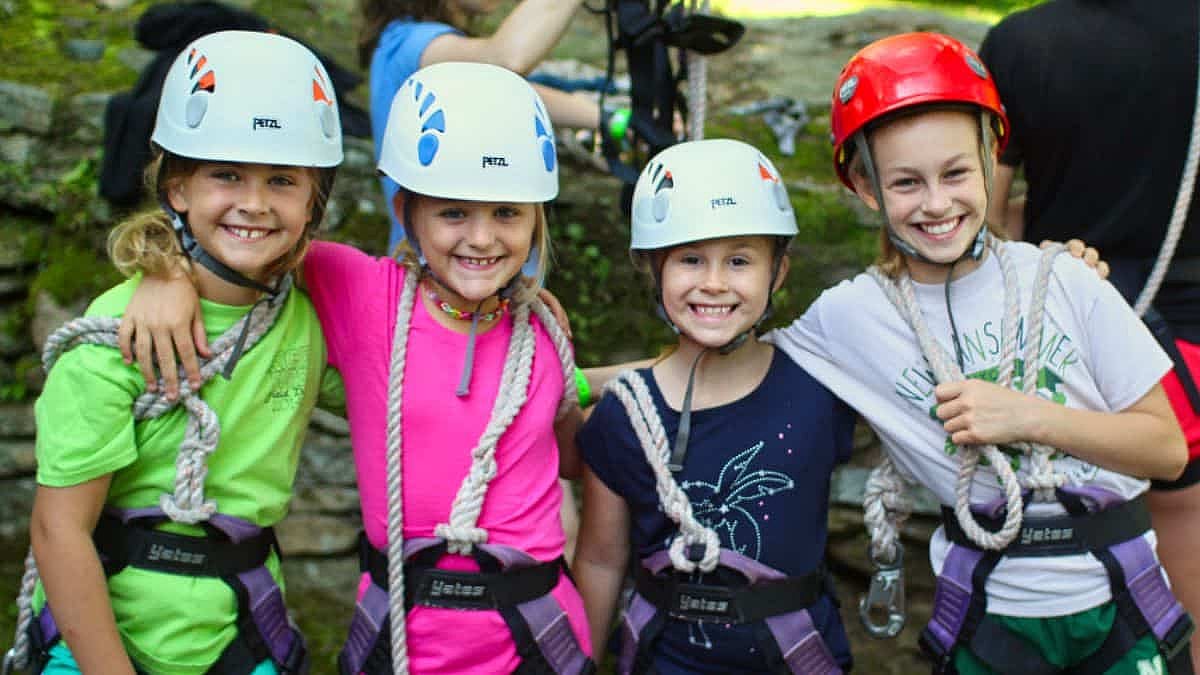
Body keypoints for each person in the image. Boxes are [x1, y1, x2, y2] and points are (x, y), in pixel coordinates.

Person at [116, 61, 591, 674]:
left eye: (507, 213)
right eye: (453, 213)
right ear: (407, 209)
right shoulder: (363, 294)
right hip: (406, 640)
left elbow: (566, 439)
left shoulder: (542, 331)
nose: (481, 238)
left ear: (535, 219)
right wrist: (167, 271)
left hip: (535, 638)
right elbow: (245, 243)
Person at [762, 32, 1192, 674]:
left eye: (956, 173)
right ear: (865, 185)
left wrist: (1029, 417)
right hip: (987, 616)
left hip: (1117, 603)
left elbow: (1166, 449)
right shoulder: (850, 319)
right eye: (906, 182)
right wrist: (598, 380)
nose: (937, 203)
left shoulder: (1065, 281)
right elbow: (726, 371)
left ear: (991, 158)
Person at [20, 30, 344, 674]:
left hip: (236, 634)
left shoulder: (309, 318)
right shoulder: (115, 339)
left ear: (313, 203)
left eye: (282, 180)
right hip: (98, 644)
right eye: (226, 174)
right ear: (177, 189)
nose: (254, 203)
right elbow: (59, 530)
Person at [572, 138, 856, 674]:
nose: (714, 283)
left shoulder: (821, 388)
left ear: (778, 273)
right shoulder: (625, 416)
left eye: (740, 261)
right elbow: (601, 560)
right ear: (653, 269)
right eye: (690, 259)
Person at [978, 4, 1200, 665]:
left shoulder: (1022, 43)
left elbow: (983, 221)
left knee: (1074, 565)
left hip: (1075, 341)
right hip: (1185, 343)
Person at [359, 0, 605, 253]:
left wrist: (605, 117)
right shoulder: (409, 42)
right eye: (453, 213)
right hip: (436, 268)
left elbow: (514, 94)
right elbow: (505, 60)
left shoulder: (410, 43)